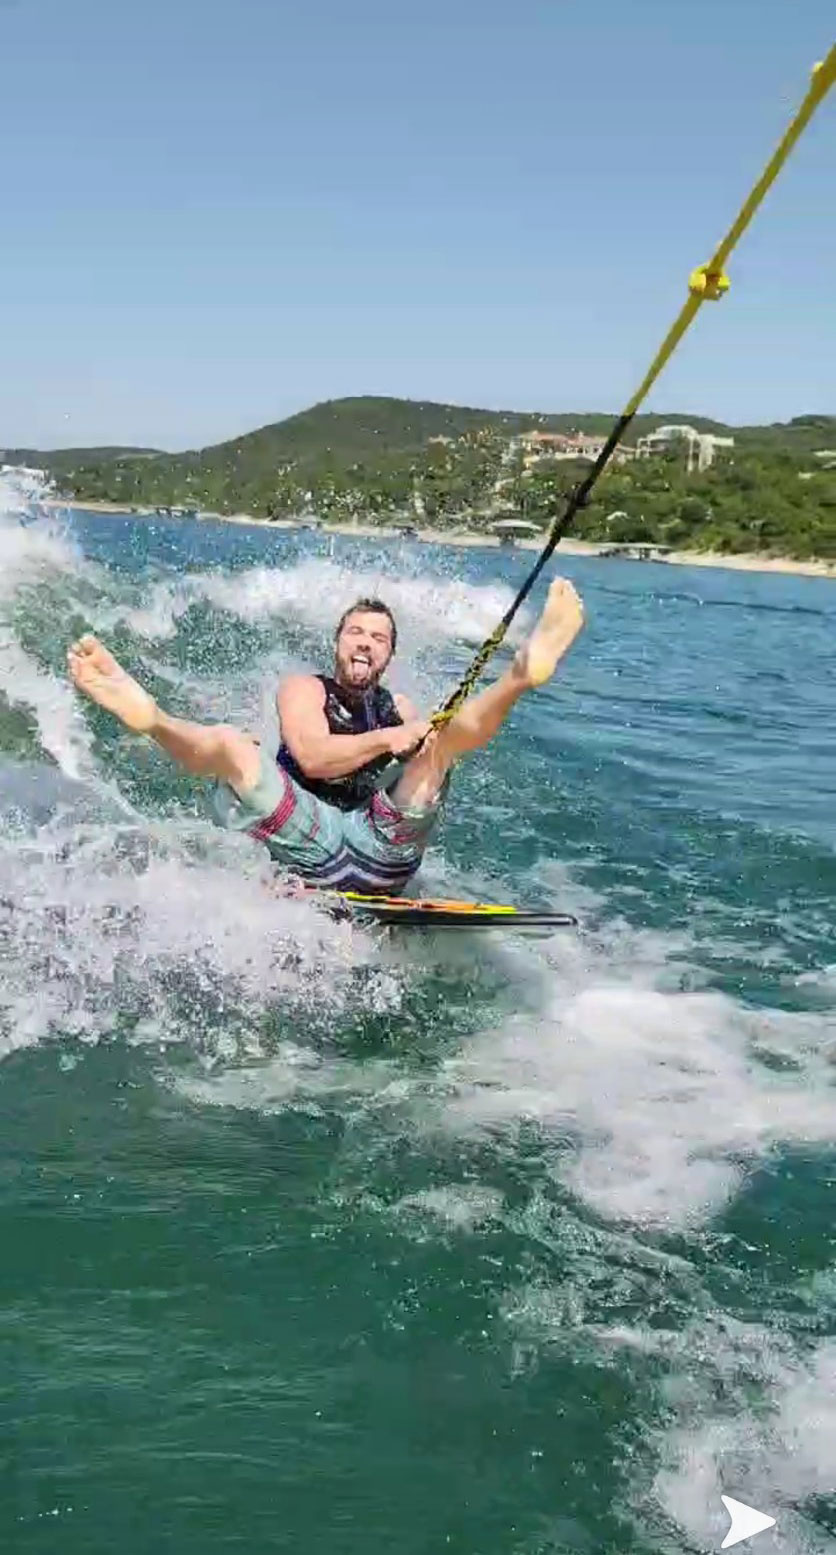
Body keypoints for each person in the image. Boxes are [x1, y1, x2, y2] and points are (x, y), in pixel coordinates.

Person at [66, 577, 584, 895]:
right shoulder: (303, 689)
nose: (366, 643)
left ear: (389, 656)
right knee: (231, 746)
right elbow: (312, 758)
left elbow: (442, 749)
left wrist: (420, 739)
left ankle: (519, 677)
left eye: (379, 638)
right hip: (305, 842)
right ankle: (152, 719)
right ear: (337, 643)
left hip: (381, 852)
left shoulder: (400, 709)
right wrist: (388, 740)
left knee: (440, 751)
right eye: (356, 632)